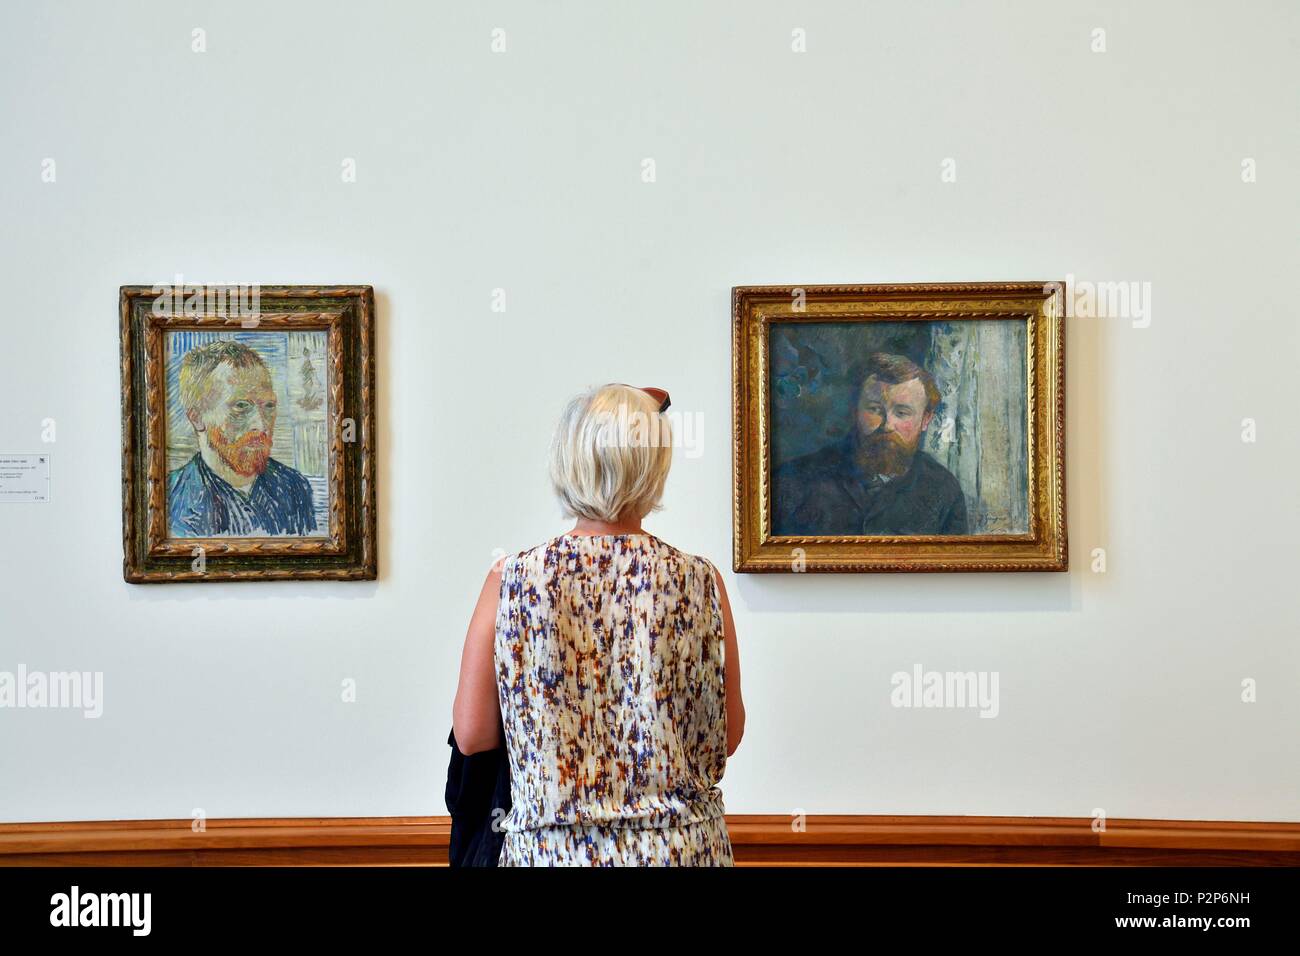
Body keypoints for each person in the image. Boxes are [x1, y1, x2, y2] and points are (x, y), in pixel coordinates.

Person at [451, 383, 745, 866]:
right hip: (682, 851)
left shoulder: (512, 580)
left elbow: (473, 735)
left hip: (551, 852)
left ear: (569, 463)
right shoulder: (701, 581)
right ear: (654, 467)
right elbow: (728, 734)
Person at [772, 351, 968, 535]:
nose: (888, 425)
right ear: (854, 410)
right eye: (874, 409)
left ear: (926, 419)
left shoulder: (943, 490)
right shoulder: (794, 480)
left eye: (902, 413)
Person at [167, 340, 317, 537]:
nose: (261, 425)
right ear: (197, 418)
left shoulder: (295, 487)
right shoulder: (170, 500)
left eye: (269, 406)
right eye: (241, 406)